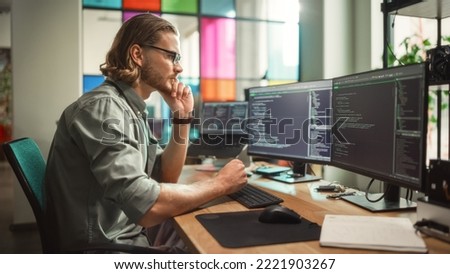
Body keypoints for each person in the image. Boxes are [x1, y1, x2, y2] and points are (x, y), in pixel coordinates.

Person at [44, 13, 248, 253]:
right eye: (171, 56)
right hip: (105, 249)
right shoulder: (103, 109)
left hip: (125, 235)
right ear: (138, 55)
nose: (179, 67)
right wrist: (219, 185)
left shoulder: (130, 109)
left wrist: (182, 118)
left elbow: (165, 175)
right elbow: (145, 206)